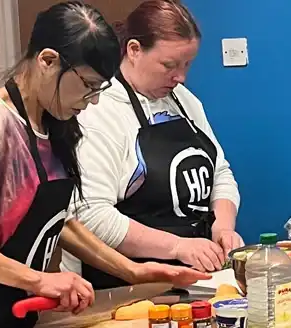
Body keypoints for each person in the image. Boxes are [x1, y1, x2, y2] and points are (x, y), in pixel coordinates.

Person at [0, 1, 208, 328]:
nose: (93, 100)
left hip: (17, 318)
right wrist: (39, 281)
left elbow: (59, 219)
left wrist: (132, 272)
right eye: (87, 85)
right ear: (48, 60)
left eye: (100, 88)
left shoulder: (54, 125)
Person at [62, 0, 243, 289]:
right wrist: (177, 247)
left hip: (193, 283)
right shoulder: (99, 111)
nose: (180, 76)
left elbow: (220, 172)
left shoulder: (185, 101)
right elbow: (90, 216)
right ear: (133, 50)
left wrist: (223, 226)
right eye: (169, 65)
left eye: (187, 64)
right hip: (123, 289)